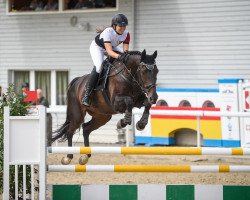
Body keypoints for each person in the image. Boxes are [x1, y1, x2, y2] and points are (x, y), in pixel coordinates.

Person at [82, 13, 130, 106]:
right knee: (99, 66)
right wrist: (120, 57)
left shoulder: (126, 34)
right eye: (120, 26)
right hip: (98, 47)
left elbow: (126, 51)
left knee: (127, 58)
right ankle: (87, 94)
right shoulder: (108, 32)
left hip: (111, 47)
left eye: (124, 26)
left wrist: (125, 56)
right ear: (114, 26)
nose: (123, 28)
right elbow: (109, 51)